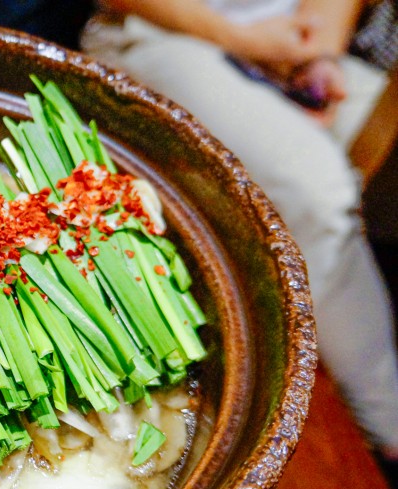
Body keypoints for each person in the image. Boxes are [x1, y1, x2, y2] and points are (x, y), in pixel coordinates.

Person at [79, 0, 398, 458]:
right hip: (162, 29)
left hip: (295, 37)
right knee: (318, 192)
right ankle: (385, 427)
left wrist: (320, 53)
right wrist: (247, 41)